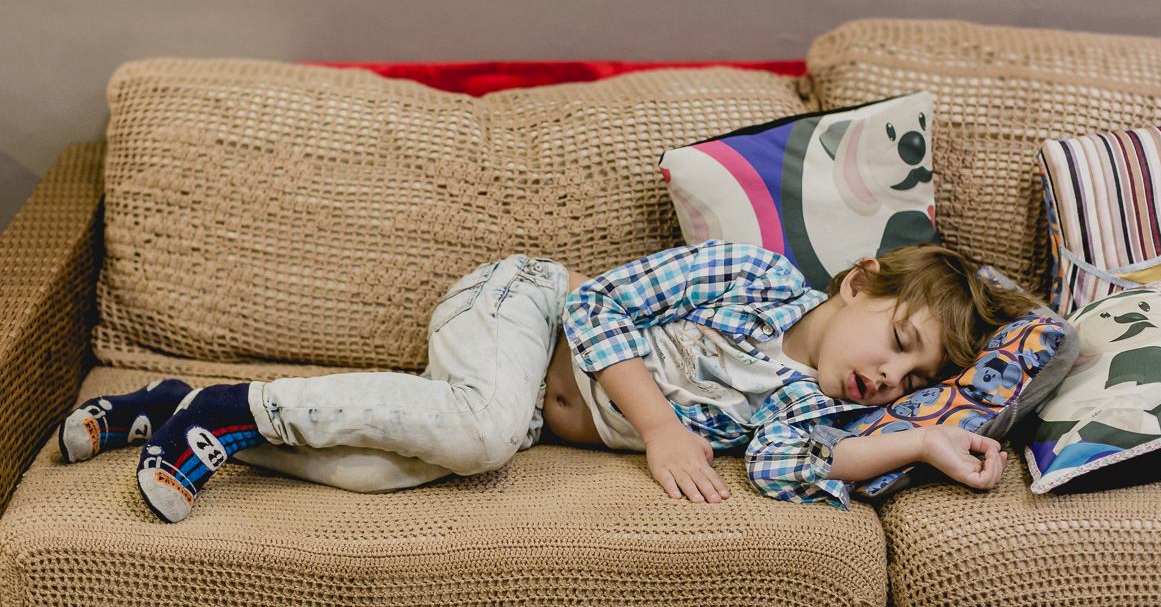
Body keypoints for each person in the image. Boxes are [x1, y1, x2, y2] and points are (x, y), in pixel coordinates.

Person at [58, 240, 1036, 523]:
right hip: (523, 308)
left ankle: (181, 413)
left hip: (524, 412)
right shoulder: (750, 275)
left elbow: (786, 469)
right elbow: (598, 306)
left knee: (382, 470)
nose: (889, 374)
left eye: (913, 377)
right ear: (860, 280)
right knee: (478, 435)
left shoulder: (804, 405)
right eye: (899, 339)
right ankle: (231, 405)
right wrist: (662, 427)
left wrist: (918, 439)